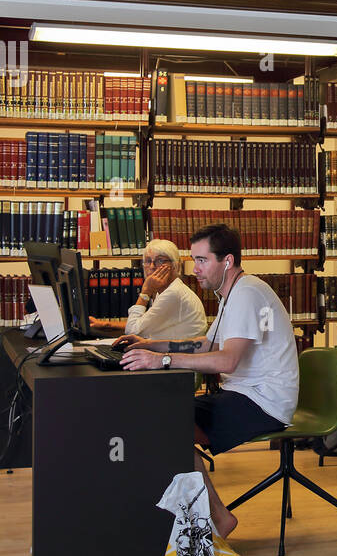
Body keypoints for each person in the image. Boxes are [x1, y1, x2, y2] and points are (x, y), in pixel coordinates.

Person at [116, 224, 300, 538]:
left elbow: (227, 359)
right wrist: (153, 345)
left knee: (170, 424)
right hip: (246, 393)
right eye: (194, 260)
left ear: (226, 261)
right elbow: (209, 344)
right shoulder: (233, 292)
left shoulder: (247, 293)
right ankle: (198, 516)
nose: (195, 269)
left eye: (202, 261)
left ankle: (216, 517)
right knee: (165, 418)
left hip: (265, 402)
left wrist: (163, 361)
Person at [89, 238, 208, 340]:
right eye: (148, 261)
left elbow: (133, 331)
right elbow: (144, 324)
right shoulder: (167, 290)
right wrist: (106, 324)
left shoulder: (173, 293)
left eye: (160, 261)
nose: (151, 266)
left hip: (179, 361)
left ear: (175, 265)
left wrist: (145, 292)